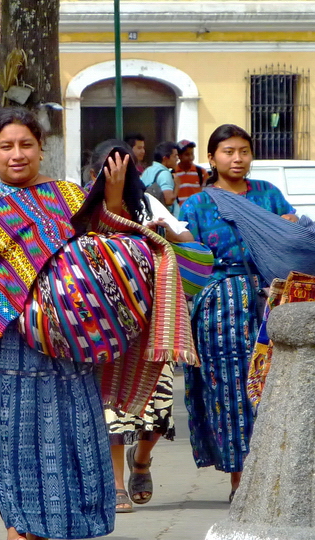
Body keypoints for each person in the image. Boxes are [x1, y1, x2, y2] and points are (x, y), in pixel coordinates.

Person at [0, 108, 196, 540]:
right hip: (4, 343)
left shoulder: (69, 198)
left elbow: (105, 252)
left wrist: (112, 199)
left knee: (59, 435)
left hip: (64, 344)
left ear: (41, 149)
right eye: (6, 147)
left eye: (26, 145)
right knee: (8, 437)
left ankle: (43, 531)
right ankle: (17, 528)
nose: (17, 155)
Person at [179, 124, 299, 501]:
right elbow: (189, 261)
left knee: (272, 387)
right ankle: (240, 478)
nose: (237, 159)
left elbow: (293, 237)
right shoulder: (197, 205)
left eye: (243, 151)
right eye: (228, 151)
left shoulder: (268, 195)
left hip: (269, 302)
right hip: (220, 308)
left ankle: (272, 473)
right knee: (230, 389)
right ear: (212, 158)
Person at [83, 140, 201, 512]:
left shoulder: (148, 205)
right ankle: (117, 485)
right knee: (112, 411)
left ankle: (142, 459)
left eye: (125, 169)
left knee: (157, 409)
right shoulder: (80, 208)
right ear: (92, 174)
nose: (116, 176)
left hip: (152, 322)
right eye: (108, 169)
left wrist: (159, 233)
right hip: (104, 324)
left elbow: (188, 244)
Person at [141, 141, 179, 210]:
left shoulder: (147, 171)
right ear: (165, 158)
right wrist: (177, 186)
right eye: (175, 156)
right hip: (164, 218)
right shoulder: (165, 174)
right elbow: (169, 200)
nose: (177, 159)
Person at [173, 139, 206, 213]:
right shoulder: (173, 174)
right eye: (187, 154)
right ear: (179, 156)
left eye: (192, 154)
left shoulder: (201, 172)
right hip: (180, 214)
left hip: (197, 213)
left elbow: (206, 196)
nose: (191, 157)